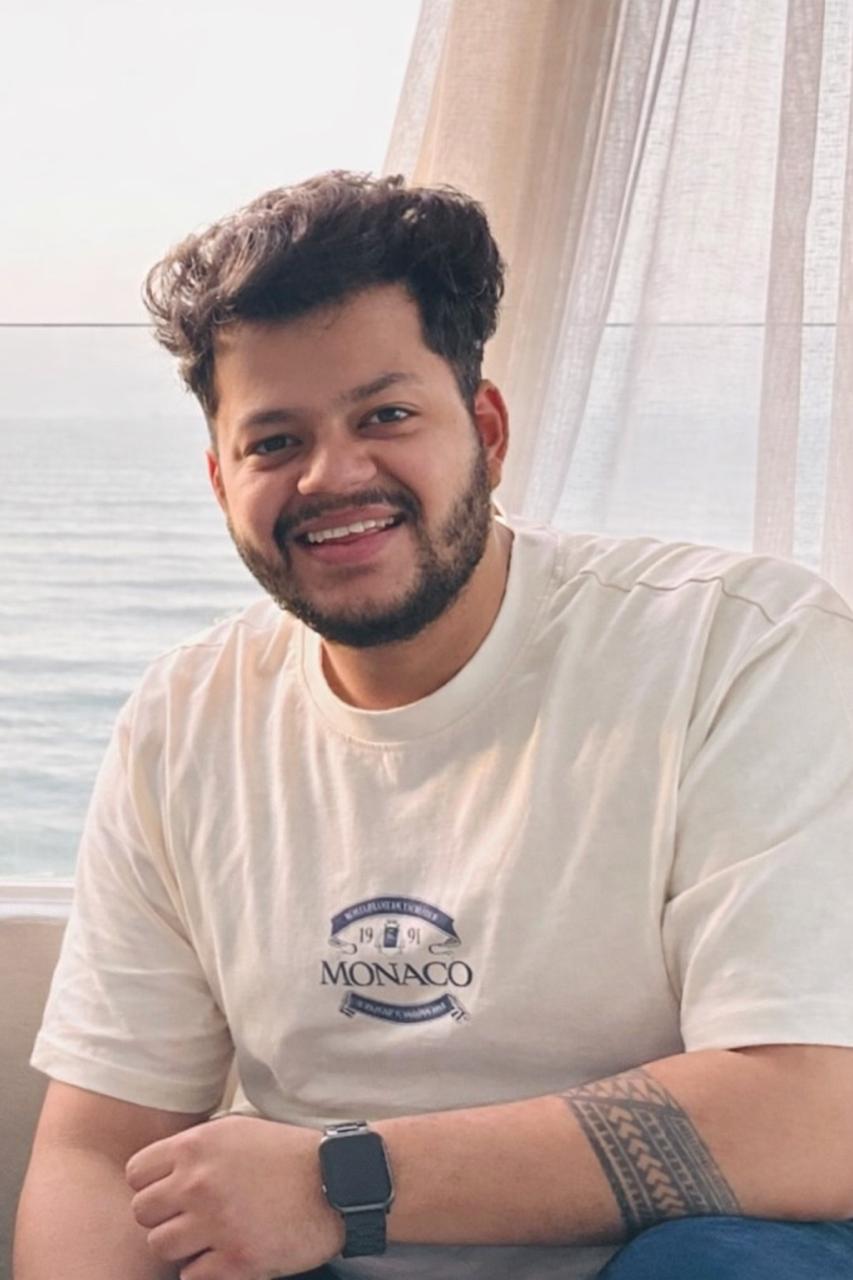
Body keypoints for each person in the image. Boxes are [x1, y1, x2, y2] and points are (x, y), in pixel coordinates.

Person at [13, 171, 853, 1280]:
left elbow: (818, 1110)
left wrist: (339, 1183)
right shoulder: (185, 721)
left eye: (386, 416)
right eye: (274, 442)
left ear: (486, 431)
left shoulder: (739, 645)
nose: (333, 475)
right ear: (220, 481)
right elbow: (99, 1148)